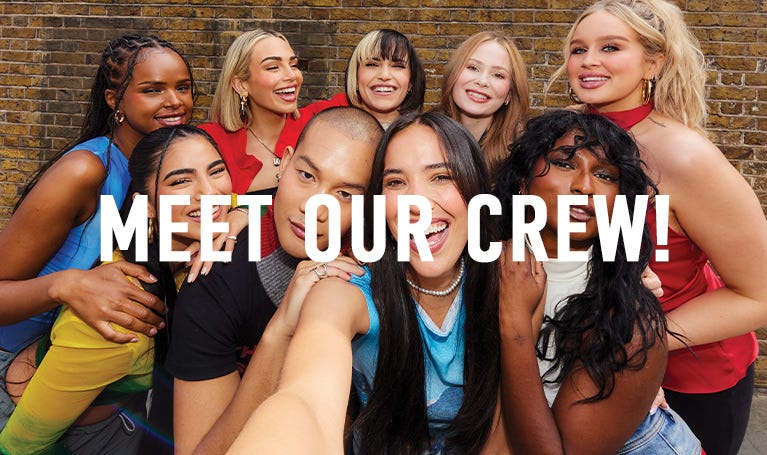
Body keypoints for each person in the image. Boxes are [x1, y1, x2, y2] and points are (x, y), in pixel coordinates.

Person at [549, 2, 767, 453]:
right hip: (590, 363)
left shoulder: (684, 156)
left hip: (690, 374)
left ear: (654, 61)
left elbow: (759, 294)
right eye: (578, 49)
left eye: (610, 47)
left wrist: (632, 344)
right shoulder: (566, 135)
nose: (588, 60)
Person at [230, 112, 507, 454]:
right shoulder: (347, 289)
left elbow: (501, 431)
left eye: (441, 176)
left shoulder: (510, 278)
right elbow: (305, 397)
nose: (415, 205)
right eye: (395, 182)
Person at [0, 34, 195, 430]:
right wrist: (65, 284)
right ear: (114, 101)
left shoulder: (165, 171)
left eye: (183, 87)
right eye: (152, 90)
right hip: (19, 377)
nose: (175, 101)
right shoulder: (87, 171)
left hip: (98, 386)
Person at [0, 125, 232, 454]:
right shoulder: (123, 314)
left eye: (217, 171)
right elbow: (18, 447)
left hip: (121, 417)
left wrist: (237, 220)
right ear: (147, 208)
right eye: (181, 181)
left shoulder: (177, 248)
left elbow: (252, 204)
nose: (210, 192)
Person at [166, 107, 382, 454]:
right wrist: (279, 330)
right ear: (284, 163)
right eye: (307, 176)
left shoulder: (377, 268)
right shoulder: (212, 277)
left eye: (345, 194)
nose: (315, 207)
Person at [495, 109, 701, 454]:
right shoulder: (483, 257)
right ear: (522, 179)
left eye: (605, 175)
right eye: (564, 163)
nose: (584, 186)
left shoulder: (629, 319)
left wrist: (514, 322)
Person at [438, 31, 529, 178]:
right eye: (473, 68)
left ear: (510, 93)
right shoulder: (422, 137)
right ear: (453, 73)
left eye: (498, 75)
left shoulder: (524, 154)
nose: (482, 81)